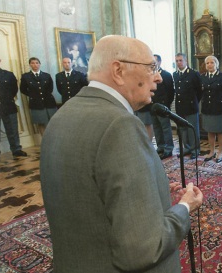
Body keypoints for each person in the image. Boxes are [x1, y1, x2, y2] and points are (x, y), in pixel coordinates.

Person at [40, 35, 203, 273]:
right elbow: (146, 248)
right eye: (151, 68)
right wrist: (185, 207)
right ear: (118, 70)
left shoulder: (63, 113)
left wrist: (150, 188)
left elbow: (88, 189)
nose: (158, 76)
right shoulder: (120, 124)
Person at [0, 52, 27, 163]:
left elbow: (14, 90)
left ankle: (16, 150)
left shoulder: (8, 74)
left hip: (8, 107)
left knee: (12, 130)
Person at [200, 55, 222, 163]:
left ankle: (220, 151)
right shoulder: (202, 77)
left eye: (212, 62)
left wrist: (221, 100)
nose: (209, 65)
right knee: (210, 130)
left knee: (220, 131)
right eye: (207, 63)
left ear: (216, 64)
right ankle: (211, 151)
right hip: (207, 108)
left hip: (219, 107)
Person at [173, 53, 202, 159]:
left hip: (191, 106)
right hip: (180, 106)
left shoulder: (194, 73)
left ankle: (195, 149)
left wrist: (194, 101)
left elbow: (199, 91)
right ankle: (187, 148)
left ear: (186, 61)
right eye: (176, 61)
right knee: (182, 129)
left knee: (192, 129)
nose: (178, 63)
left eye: (180, 60)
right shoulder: (175, 74)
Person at [20, 57, 57, 136]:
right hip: (36, 104)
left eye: (37, 63)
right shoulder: (26, 77)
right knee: (41, 123)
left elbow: (50, 88)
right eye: (33, 63)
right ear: (30, 64)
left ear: (40, 64)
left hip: (49, 103)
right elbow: (23, 89)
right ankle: (44, 142)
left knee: (53, 122)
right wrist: (33, 95)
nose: (35, 65)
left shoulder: (47, 75)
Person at [150, 54, 175, 160]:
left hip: (163, 105)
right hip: (152, 105)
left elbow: (171, 92)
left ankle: (168, 149)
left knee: (165, 128)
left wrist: (166, 104)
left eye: (155, 62)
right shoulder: (149, 74)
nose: (153, 64)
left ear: (159, 62)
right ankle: (160, 147)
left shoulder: (166, 75)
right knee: (156, 128)